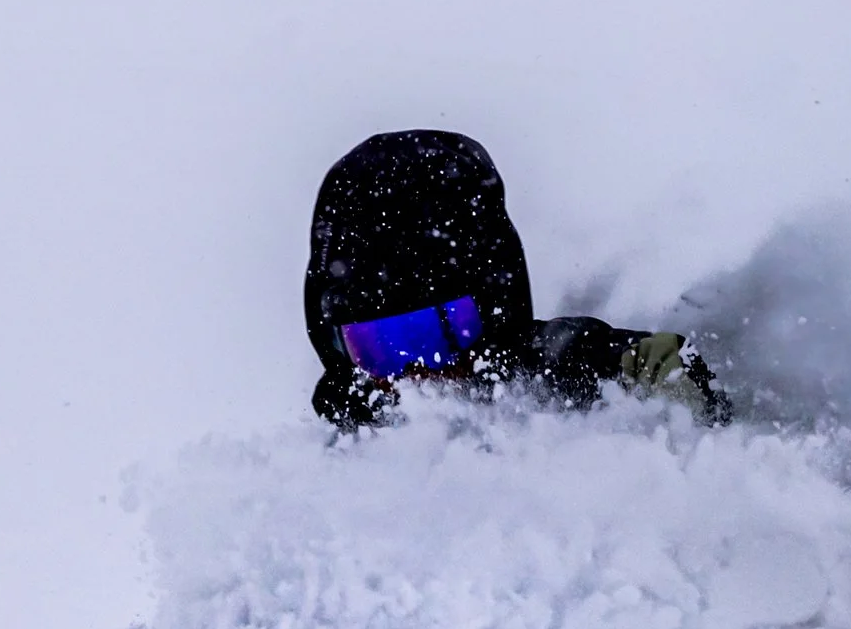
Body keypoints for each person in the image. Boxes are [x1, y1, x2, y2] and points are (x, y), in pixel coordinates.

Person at [305, 130, 728, 429]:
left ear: (491, 314)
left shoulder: (563, 380)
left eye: (439, 334)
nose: (417, 373)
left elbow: (637, 362)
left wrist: (668, 386)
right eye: (379, 348)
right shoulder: (339, 456)